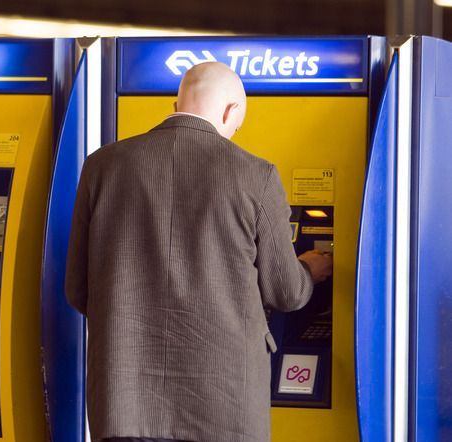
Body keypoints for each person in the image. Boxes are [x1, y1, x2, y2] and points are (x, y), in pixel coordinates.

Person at [65, 61, 333, 442]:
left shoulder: (101, 167)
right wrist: (310, 270)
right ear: (230, 112)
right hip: (225, 407)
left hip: (124, 405)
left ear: (176, 107)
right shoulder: (256, 175)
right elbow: (286, 292)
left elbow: (77, 287)